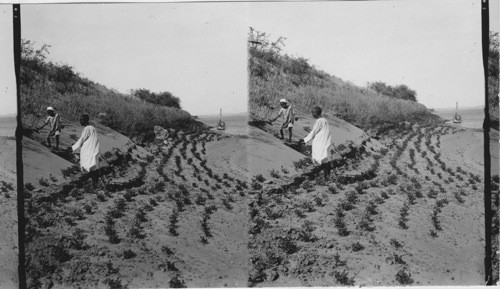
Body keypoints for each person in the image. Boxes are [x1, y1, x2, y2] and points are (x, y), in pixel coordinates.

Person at [301, 106, 333, 179]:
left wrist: (305, 139)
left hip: (320, 142)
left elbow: (314, 131)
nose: (312, 114)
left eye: (313, 113)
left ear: (316, 113)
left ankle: (325, 176)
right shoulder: (325, 120)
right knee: (324, 157)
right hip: (325, 141)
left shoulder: (319, 121)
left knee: (320, 157)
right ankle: (326, 176)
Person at [71, 114, 100, 184]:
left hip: (89, 150)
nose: (80, 121)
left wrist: (73, 147)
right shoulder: (92, 128)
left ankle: (92, 182)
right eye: (80, 120)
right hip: (93, 149)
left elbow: (82, 139)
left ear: (85, 121)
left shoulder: (87, 129)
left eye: (82, 120)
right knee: (92, 165)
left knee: (88, 165)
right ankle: (94, 182)